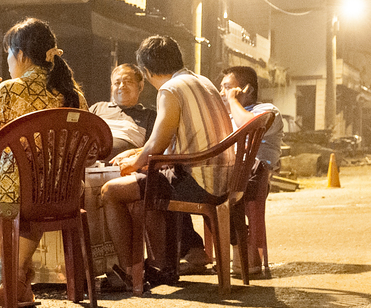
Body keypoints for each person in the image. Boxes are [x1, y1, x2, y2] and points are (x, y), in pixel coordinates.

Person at [98, 36, 232, 294]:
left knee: (112, 191)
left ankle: (128, 273)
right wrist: (139, 154)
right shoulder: (203, 82)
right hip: (224, 176)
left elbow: (156, 147)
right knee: (149, 182)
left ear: (146, 72)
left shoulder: (170, 89)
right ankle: (161, 266)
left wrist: (131, 165)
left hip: (201, 181)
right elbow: (170, 141)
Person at [0, 17, 85, 308]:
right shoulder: (73, 94)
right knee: (31, 208)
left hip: (16, 193)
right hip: (64, 193)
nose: (8, 62)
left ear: (21, 54)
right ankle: (19, 280)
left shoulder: (9, 90)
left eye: (9, 55)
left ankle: (16, 277)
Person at [220, 65, 283, 276]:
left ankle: (248, 251)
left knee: (224, 189)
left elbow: (249, 126)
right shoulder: (227, 116)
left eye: (227, 87)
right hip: (228, 172)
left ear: (247, 89)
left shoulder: (268, 111)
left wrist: (233, 101)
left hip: (254, 175)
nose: (222, 93)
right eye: (221, 88)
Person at [89, 63, 156, 156]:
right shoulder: (97, 108)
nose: (121, 86)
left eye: (128, 82)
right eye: (117, 83)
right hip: (89, 161)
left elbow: (154, 147)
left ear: (140, 86)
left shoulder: (150, 116)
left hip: (124, 163)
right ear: (112, 88)